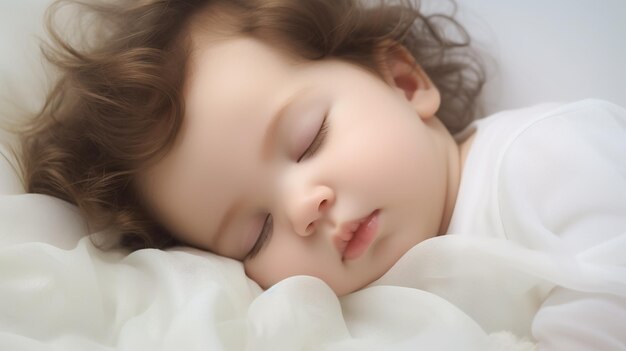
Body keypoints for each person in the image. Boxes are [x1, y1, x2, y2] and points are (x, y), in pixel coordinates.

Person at [17, 0, 625, 349]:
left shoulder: (545, 157)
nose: (302, 207)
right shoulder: (356, 314)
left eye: (309, 141)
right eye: (255, 234)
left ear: (404, 82)